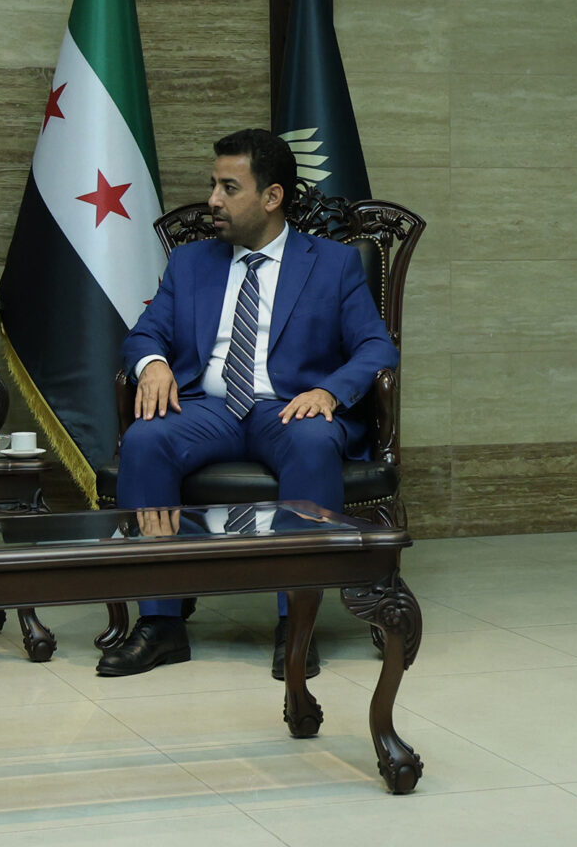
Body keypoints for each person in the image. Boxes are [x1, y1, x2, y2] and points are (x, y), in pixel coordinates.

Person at [100, 128, 396, 680]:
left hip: (287, 408)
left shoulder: (333, 264)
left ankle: (296, 625)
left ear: (272, 196)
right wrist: (154, 364)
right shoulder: (191, 262)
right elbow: (144, 334)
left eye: (229, 188)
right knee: (145, 439)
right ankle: (161, 623)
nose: (212, 199)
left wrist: (329, 391)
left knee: (313, 441)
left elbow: (376, 346)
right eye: (213, 184)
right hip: (207, 409)